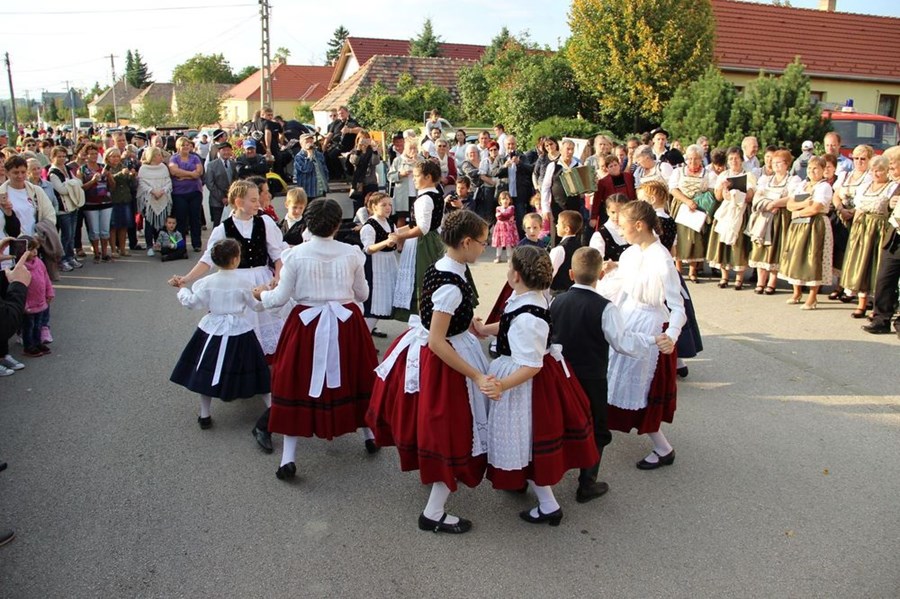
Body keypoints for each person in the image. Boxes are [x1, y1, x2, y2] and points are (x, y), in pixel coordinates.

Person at [367, 210, 492, 534]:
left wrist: (469, 322)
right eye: (483, 242)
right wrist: (476, 375)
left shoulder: (446, 265)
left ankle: (435, 487)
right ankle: (433, 512)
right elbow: (437, 341)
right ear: (466, 242)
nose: (485, 247)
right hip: (444, 360)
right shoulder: (451, 285)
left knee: (445, 428)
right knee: (454, 432)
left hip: (445, 345)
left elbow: (442, 315)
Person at [253, 198, 378, 479]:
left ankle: (288, 458)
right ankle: (369, 435)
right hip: (346, 324)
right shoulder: (351, 253)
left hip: (307, 324)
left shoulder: (295, 255)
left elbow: (278, 299)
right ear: (337, 225)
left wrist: (261, 294)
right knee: (355, 377)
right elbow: (363, 294)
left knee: (295, 383)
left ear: (307, 224)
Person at [476, 245, 598, 525]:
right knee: (524, 441)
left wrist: (502, 385)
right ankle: (525, 485)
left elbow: (532, 365)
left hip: (524, 383)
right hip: (521, 374)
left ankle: (549, 505)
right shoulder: (527, 299)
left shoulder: (529, 317)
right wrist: (485, 329)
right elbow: (509, 323)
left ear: (516, 275)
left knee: (526, 441)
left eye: (509, 267)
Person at [551, 246, 669, 502]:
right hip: (592, 377)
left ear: (570, 274)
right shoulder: (605, 308)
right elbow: (622, 342)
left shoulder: (556, 301)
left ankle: (549, 476)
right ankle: (587, 483)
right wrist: (652, 340)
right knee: (597, 427)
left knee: (560, 422)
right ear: (601, 275)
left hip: (562, 375)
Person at [596, 201, 683, 469]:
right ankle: (599, 429)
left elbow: (678, 306)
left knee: (641, 390)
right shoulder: (631, 253)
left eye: (623, 226)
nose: (620, 231)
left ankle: (663, 448)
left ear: (639, 225)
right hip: (628, 318)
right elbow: (621, 286)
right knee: (613, 379)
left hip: (649, 325)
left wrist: (672, 335)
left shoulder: (662, 259)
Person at [170, 238, 271, 430]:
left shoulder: (206, 282)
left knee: (206, 371)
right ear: (235, 259)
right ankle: (273, 408)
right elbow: (257, 307)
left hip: (212, 330)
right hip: (240, 331)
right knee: (256, 370)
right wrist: (266, 294)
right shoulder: (245, 283)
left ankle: (204, 414)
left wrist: (182, 289)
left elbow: (191, 303)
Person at [839, 155, 893, 319]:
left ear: (887, 171)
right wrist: (854, 232)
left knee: (876, 266)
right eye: (873, 170)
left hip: (880, 229)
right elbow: (859, 209)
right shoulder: (865, 187)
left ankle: (876, 306)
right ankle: (861, 303)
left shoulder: (892, 187)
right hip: (862, 228)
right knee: (861, 264)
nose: (876, 174)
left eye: (880, 170)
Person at [392, 160, 445, 321]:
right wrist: (396, 232)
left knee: (421, 280)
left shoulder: (424, 199)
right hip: (434, 239)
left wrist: (400, 237)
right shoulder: (436, 194)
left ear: (428, 177)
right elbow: (415, 224)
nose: (413, 179)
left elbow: (422, 228)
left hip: (423, 244)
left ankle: (423, 319)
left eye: (416, 176)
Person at [779, 156, 834, 310]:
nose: (812, 171)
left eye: (816, 168)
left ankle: (812, 296)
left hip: (815, 225)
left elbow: (815, 208)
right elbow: (790, 204)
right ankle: (797, 293)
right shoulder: (803, 184)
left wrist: (798, 212)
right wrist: (803, 204)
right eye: (810, 168)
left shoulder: (824, 187)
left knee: (813, 258)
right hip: (798, 225)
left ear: (823, 170)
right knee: (795, 256)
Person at [748, 149, 799, 295]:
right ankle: (760, 281)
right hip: (764, 215)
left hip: (780, 218)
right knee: (760, 247)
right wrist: (767, 204)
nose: (775, 165)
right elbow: (758, 195)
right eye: (773, 162)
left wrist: (776, 203)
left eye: (779, 162)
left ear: (787, 164)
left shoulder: (793, 180)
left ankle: (772, 281)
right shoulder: (766, 179)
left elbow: (792, 198)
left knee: (775, 248)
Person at [862, 147, 900, 337]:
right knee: (885, 278)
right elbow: (887, 206)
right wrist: (891, 205)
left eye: (893, 166)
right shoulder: (896, 185)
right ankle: (881, 319)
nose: (891, 170)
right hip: (894, 236)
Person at [708, 146, 756, 289]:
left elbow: (750, 196)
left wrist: (738, 194)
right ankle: (724, 276)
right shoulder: (724, 175)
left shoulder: (749, 175)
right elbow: (718, 197)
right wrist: (723, 188)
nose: (734, 161)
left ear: (741, 160)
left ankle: (739, 278)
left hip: (741, 210)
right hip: (726, 211)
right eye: (731, 159)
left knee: (739, 243)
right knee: (723, 243)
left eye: (736, 158)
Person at [830, 145, 874, 300]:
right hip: (842, 216)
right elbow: (836, 195)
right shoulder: (845, 175)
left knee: (854, 253)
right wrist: (841, 209)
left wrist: (853, 212)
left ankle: (853, 287)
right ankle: (840, 285)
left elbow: (869, 198)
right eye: (856, 158)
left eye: (863, 159)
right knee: (840, 252)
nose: (859, 161)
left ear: (869, 160)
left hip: (859, 218)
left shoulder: (870, 177)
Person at [668, 144, 712, 282]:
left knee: (695, 239)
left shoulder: (707, 174)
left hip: (698, 208)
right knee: (679, 238)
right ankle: (678, 270)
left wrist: (698, 202)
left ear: (701, 159)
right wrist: (687, 201)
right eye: (690, 158)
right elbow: (673, 189)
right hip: (681, 206)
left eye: (696, 158)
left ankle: (693, 271)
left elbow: (709, 192)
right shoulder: (679, 171)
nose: (693, 161)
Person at [360, 192, 399, 337]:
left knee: (385, 298)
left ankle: (367, 333)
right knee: (375, 302)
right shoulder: (369, 226)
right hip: (376, 265)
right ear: (374, 207)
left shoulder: (390, 223)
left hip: (389, 262)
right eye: (384, 205)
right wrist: (386, 242)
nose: (388, 208)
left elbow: (397, 236)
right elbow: (368, 249)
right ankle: (364, 336)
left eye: (390, 205)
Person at [46, 147, 84, 271]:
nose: (62, 159)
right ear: (53, 157)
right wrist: (72, 184)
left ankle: (70, 257)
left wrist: (71, 184)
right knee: (66, 236)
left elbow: (79, 182)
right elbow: (61, 190)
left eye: (64, 156)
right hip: (63, 209)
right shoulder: (53, 173)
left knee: (72, 235)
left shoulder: (67, 168)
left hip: (73, 206)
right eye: (59, 156)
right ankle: (62, 260)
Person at [540, 139, 582, 243]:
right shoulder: (553, 166)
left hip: (574, 206)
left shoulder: (579, 165)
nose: (570, 152)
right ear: (561, 150)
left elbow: (585, 189)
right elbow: (545, 187)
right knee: (557, 236)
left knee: (574, 236)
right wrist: (545, 208)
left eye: (572, 149)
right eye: (568, 149)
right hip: (557, 206)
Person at [18, 236, 53, 358]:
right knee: (28, 326)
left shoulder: (39, 262)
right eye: (31, 250)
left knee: (38, 325)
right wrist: (24, 303)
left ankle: (37, 343)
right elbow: (19, 287)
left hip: (40, 301)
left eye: (35, 249)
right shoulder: (20, 267)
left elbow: (46, 277)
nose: (35, 252)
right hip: (28, 304)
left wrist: (49, 292)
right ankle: (28, 346)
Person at [168, 137, 204, 253]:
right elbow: (174, 171)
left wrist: (183, 176)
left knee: (195, 218)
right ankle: (180, 245)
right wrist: (191, 174)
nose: (186, 147)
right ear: (178, 147)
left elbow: (199, 172)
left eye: (188, 145)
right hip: (179, 193)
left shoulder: (195, 158)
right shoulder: (174, 158)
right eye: (183, 145)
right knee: (180, 219)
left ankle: (196, 244)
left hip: (195, 192)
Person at [137, 147, 173, 258]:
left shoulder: (164, 167)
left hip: (163, 198)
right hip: (149, 199)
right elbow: (141, 183)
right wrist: (152, 191)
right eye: (158, 155)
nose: (161, 157)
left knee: (162, 223)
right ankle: (149, 246)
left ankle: (159, 244)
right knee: (149, 224)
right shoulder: (143, 168)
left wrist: (163, 191)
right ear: (152, 156)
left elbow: (168, 181)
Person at [104, 148, 137, 258]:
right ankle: (113, 249)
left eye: (118, 156)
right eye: (113, 156)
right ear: (108, 157)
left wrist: (132, 175)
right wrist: (120, 174)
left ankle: (122, 249)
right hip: (113, 200)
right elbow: (109, 180)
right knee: (113, 226)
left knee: (124, 225)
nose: (116, 159)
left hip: (125, 199)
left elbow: (131, 183)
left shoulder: (123, 166)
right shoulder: (106, 167)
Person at [591, 155, 636, 229]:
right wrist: (594, 217)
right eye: (611, 166)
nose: (614, 167)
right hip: (612, 214)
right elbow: (597, 200)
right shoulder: (602, 182)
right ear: (607, 169)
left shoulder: (629, 177)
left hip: (629, 210)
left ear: (619, 165)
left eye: (615, 165)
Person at [388, 136, 421, 229]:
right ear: (405, 149)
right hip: (402, 195)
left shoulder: (421, 160)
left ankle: (415, 237)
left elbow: (427, 173)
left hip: (417, 193)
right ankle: (399, 237)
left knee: (417, 218)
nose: (413, 150)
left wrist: (417, 162)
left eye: (414, 148)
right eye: (410, 148)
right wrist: (400, 174)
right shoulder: (398, 160)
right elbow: (390, 177)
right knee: (401, 218)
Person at [549, 209, 582, 295]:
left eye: (558, 223)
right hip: (575, 292)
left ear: (567, 229)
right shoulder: (580, 246)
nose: (556, 226)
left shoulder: (560, 249)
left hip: (559, 293)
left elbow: (550, 273)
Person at [588, 193, 630, 262]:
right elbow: (595, 263)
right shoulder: (600, 235)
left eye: (621, 212)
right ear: (607, 211)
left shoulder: (633, 229)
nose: (616, 216)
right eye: (613, 212)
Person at [204, 142, 236, 228]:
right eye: (224, 150)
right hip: (217, 200)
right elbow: (210, 184)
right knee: (217, 225)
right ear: (219, 151)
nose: (226, 152)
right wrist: (222, 197)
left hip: (231, 199)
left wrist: (230, 196)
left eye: (228, 150)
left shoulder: (233, 164)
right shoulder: (211, 165)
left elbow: (236, 181)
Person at [348, 130, 381, 210]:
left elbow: (375, 162)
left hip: (371, 182)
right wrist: (358, 150)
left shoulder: (373, 151)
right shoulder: (354, 151)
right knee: (358, 207)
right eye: (362, 139)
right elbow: (354, 161)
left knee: (372, 207)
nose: (364, 141)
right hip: (358, 183)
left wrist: (374, 149)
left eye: (366, 139)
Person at [293, 133, 329, 202]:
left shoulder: (319, 154)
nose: (309, 143)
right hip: (308, 191)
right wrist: (309, 155)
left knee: (321, 207)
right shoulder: (299, 156)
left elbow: (325, 169)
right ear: (301, 144)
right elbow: (306, 169)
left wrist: (326, 179)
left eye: (311, 141)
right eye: (307, 141)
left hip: (321, 189)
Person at [492, 191, 519, 262]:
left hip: (508, 228)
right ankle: (498, 256)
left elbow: (509, 214)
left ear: (510, 200)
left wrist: (503, 215)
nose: (505, 201)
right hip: (500, 228)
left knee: (508, 243)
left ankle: (509, 257)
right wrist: (506, 217)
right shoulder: (498, 208)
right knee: (499, 243)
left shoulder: (511, 208)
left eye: (507, 199)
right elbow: (499, 217)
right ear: (500, 201)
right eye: (503, 199)